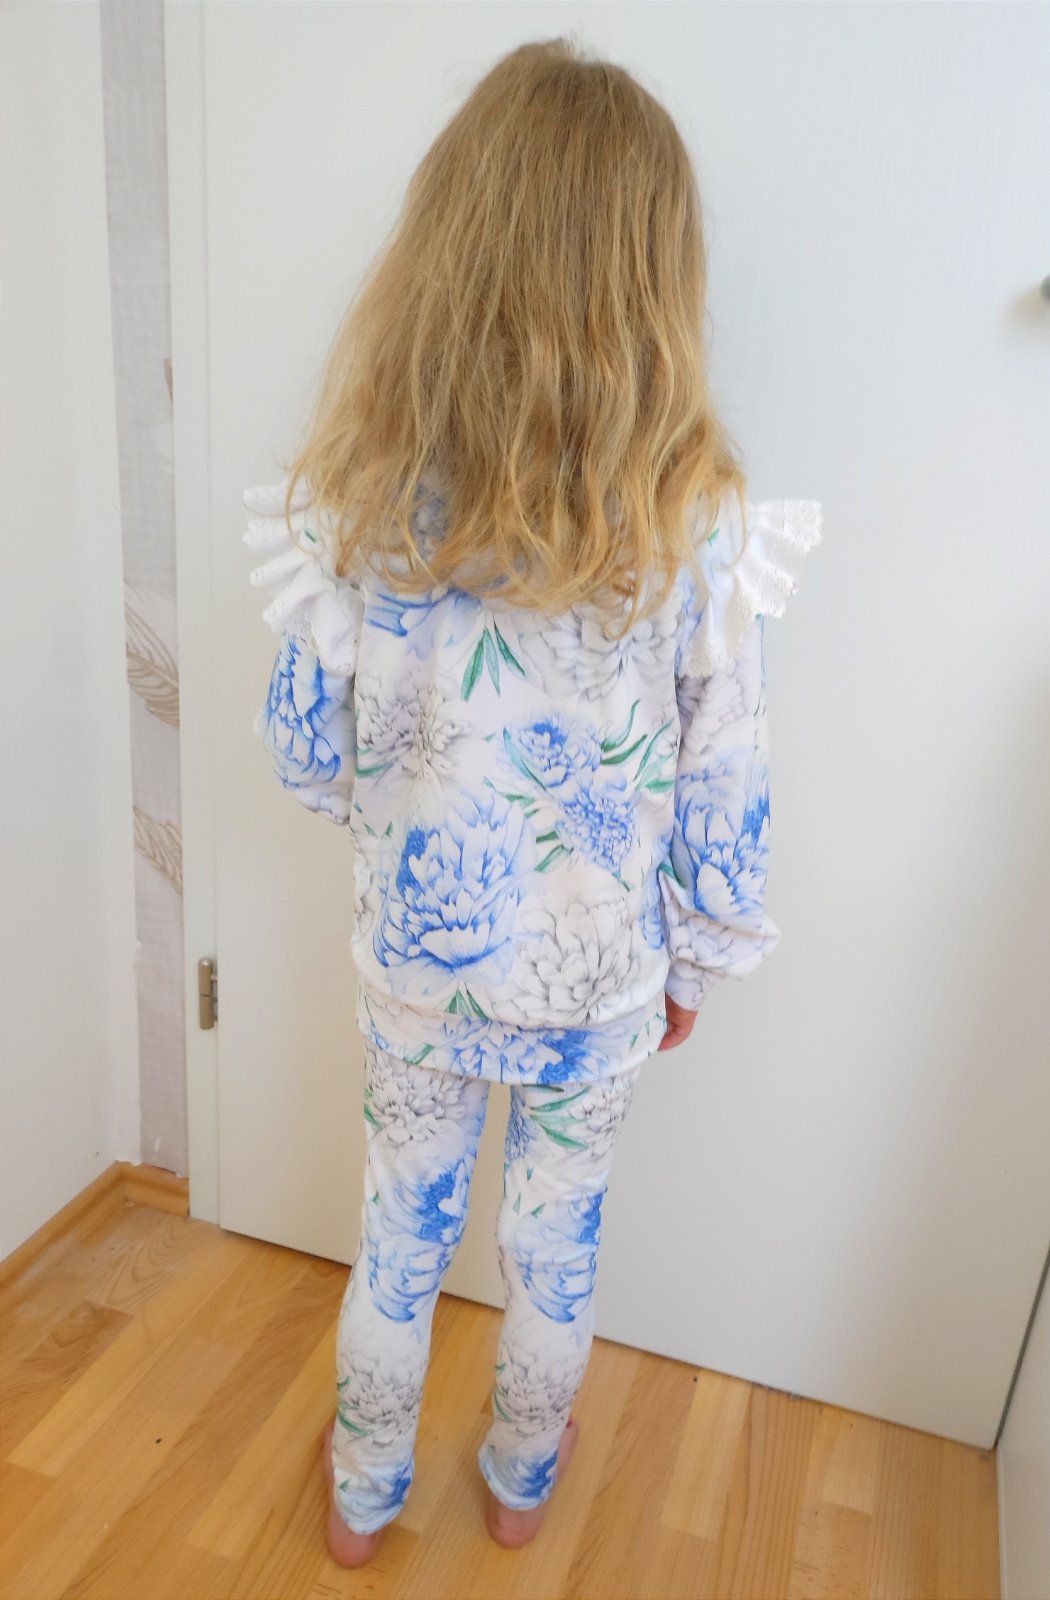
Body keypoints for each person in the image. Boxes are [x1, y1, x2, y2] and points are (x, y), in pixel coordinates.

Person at [243, 36, 822, 1568]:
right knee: (555, 1247)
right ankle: (516, 1483)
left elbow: (303, 748)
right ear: (656, 277)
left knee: (398, 1234)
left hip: (417, 977)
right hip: (599, 984)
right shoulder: (697, 524)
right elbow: (727, 774)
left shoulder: (363, 496)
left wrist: (404, 816)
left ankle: (362, 1496)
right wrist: (699, 956)